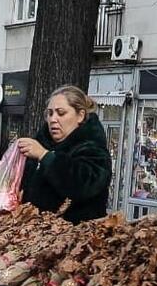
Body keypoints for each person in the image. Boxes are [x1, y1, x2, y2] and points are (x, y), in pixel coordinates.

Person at [17, 85, 111, 224]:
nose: (53, 119)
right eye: (50, 113)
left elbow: (83, 186)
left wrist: (45, 156)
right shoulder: (39, 145)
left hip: (75, 238)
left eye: (61, 113)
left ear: (80, 115)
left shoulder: (93, 149)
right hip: (32, 235)